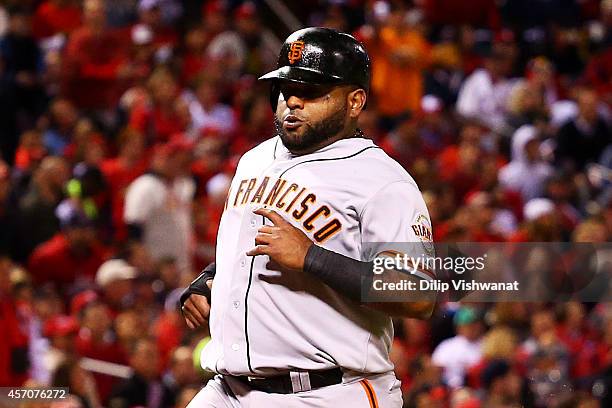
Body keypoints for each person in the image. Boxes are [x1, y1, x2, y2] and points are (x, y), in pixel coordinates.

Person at [180, 27, 435, 407]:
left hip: (328, 391)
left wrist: (311, 257)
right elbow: (248, 244)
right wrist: (209, 280)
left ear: (355, 101)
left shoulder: (383, 181)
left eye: (312, 92)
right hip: (228, 389)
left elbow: (416, 295)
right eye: (286, 89)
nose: (292, 102)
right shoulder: (255, 159)